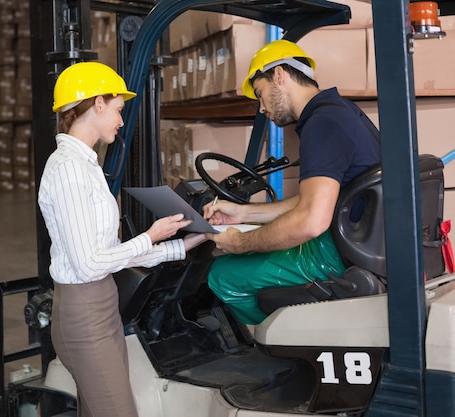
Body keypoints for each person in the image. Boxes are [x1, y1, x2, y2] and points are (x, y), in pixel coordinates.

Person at [38, 61, 205, 417]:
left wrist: (181, 245)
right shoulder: (67, 168)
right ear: (97, 103)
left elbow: (111, 253)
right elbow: (88, 264)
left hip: (103, 308)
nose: (121, 119)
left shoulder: (86, 165)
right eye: (118, 109)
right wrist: (150, 235)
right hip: (83, 314)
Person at [202, 40, 381, 325]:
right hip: (355, 240)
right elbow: (317, 200)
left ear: (279, 76)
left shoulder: (323, 125)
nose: (261, 108)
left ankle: (274, 351)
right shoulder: (342, 111)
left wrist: (239, 242)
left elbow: (311, 220)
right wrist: (245, 213)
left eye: (260, 94)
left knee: (223, 275)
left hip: (334, 253)